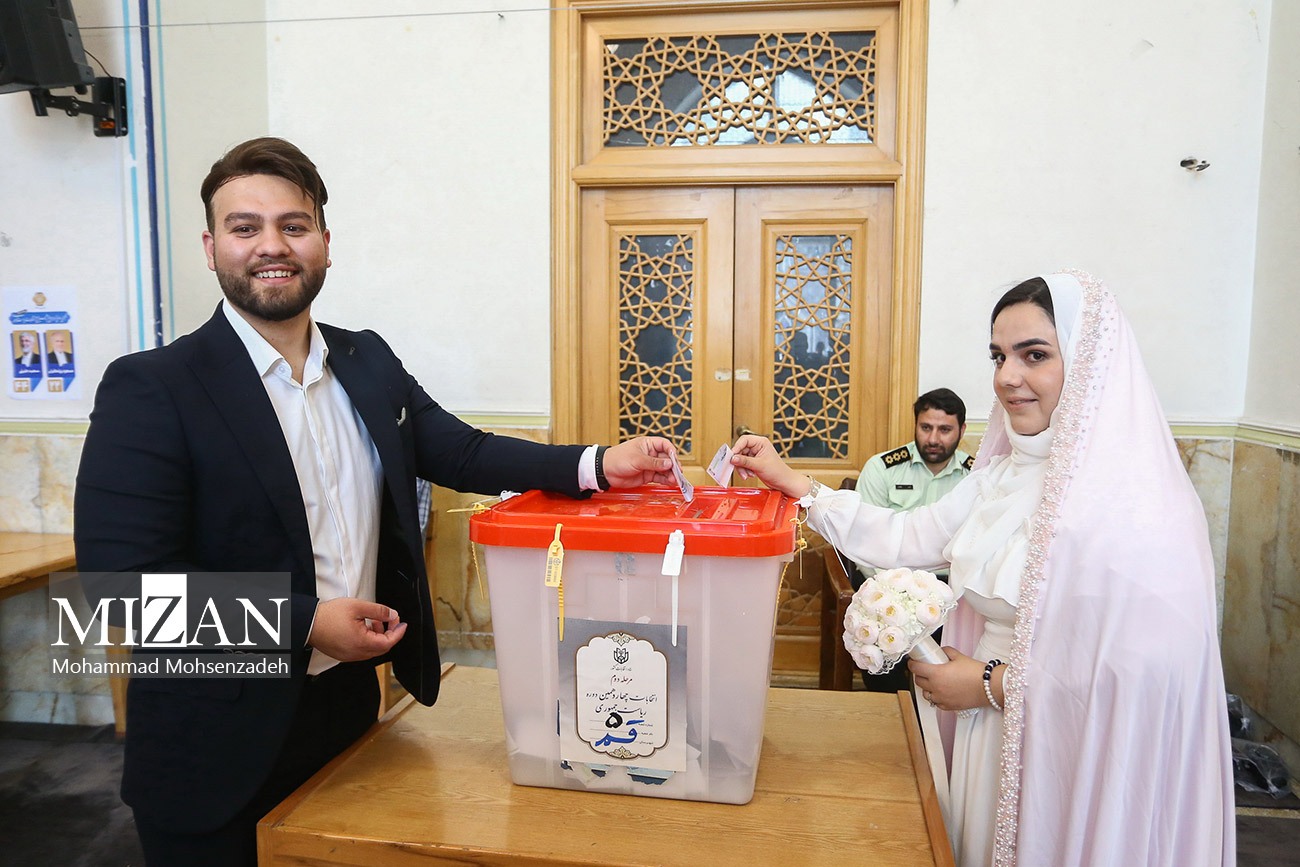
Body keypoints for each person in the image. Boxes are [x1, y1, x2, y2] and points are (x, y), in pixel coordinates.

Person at [73, 136, 677, 866]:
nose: (272, 245)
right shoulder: (153, 386)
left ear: (325, 243)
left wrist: (598, 464)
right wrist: (304, 622)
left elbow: (461, 450)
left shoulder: (365, 360)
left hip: (351, 712)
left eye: (294, 225)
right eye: (245, 227)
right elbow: (121, 590)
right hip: (214, 742)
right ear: (211, 248)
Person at [730, 272, 1234, 866]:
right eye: (999, 356)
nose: (1007, 377)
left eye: (1034, 355)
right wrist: (794, 483)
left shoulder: (1138, 502)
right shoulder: (1001, 475)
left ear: (1090, 364)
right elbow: (908, 536)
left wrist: (994, 684)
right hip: (983, 729)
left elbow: (1148, 676)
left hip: (1070, 752)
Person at [850, 387, 971, 692]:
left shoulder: (975, 476)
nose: (933, 438)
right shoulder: (882, 469)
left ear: (962, 430)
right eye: (926, 427)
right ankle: (890, 709)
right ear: (915, 425)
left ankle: (937, 713)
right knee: (881, 643)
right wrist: (894, 593)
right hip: (886, 582)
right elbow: (866, 539)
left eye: (945, 430)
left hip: (951, 588)